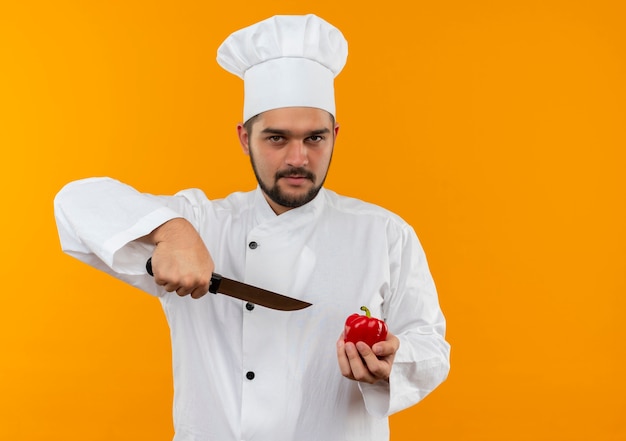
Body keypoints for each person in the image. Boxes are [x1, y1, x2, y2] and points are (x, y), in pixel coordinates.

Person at [54, 14, 450, 441]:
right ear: (245, 138)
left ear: (335, 135)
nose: (297, 158)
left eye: (314, 138)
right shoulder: (201, 221)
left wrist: (395, 362)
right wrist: (172, 232)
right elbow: (75, 200)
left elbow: (430, 345)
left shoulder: (384, 233)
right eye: (276, 138)